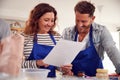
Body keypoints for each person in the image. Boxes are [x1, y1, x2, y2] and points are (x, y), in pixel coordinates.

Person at [62, 1, 120, 76]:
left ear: (92, 18)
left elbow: (112, 50)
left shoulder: (101, 31)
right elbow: (62, 57)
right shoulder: (67, 32)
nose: (79, 25)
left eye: (84, 21)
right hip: (73, 77)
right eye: (77, 20)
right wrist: (64, 69)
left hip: (96, 77)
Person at [22, 3, 73, 77]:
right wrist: (37, 63)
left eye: (52, 21)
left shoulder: (57, 37)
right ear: (36, 19)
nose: (49, 24)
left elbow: (58, 65)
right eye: (46, 20)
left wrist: (64, 68)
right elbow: (14, 65)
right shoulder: (24, 37)